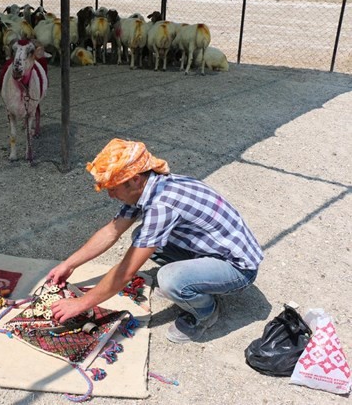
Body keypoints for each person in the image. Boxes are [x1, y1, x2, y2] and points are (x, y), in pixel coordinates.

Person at [48, 138, 263, 343]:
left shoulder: (163, 204)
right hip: (214, 250)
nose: (110, 195)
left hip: (238, 269)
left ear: (134, 179)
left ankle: (206, 312)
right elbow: (111, 232)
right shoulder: (149, 186)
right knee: (141, 237)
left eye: (113, 188)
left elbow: (126, 271)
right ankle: (192, 282)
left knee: (169, 278)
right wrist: (69, 264)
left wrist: (81, 304)